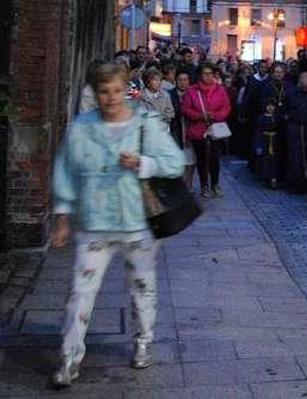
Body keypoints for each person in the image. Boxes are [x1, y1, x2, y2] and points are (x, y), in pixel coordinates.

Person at [50, 62, 184, 387]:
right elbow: (65, 170)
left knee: (142, 289)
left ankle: (143, 341)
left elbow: (174, 162)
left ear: (125, 88)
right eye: (103, 91)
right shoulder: (81, 127)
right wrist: (63, 215)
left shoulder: (145, 123)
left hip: (137, 223)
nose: (110, 98)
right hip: (95, 223)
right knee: (80, 293)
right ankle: (69, 358)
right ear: (94, 93)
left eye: (115, 90)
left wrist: (143, 162)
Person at [182, 65, 232, 198]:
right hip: (198, 130)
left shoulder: (220, 90)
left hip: (215, 129)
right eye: (205, 74)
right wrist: (200, 116)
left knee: (215, 158)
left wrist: (215, 115)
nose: (208, 76)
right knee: (202, 159)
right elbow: (186, 109)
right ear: (200, 75)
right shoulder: (192, 91)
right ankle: (204, 185)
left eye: (210, 74)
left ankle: (215, 184)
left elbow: (226, 107)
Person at [168, 71, 195, 190]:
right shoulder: (170, 95)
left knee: (190, 159)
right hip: (176, 130)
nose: (183, 83)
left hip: (191, 130)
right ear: (176, 81)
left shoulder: (194, 94)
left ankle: (189, 183)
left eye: (185, 80)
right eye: (180, 80)